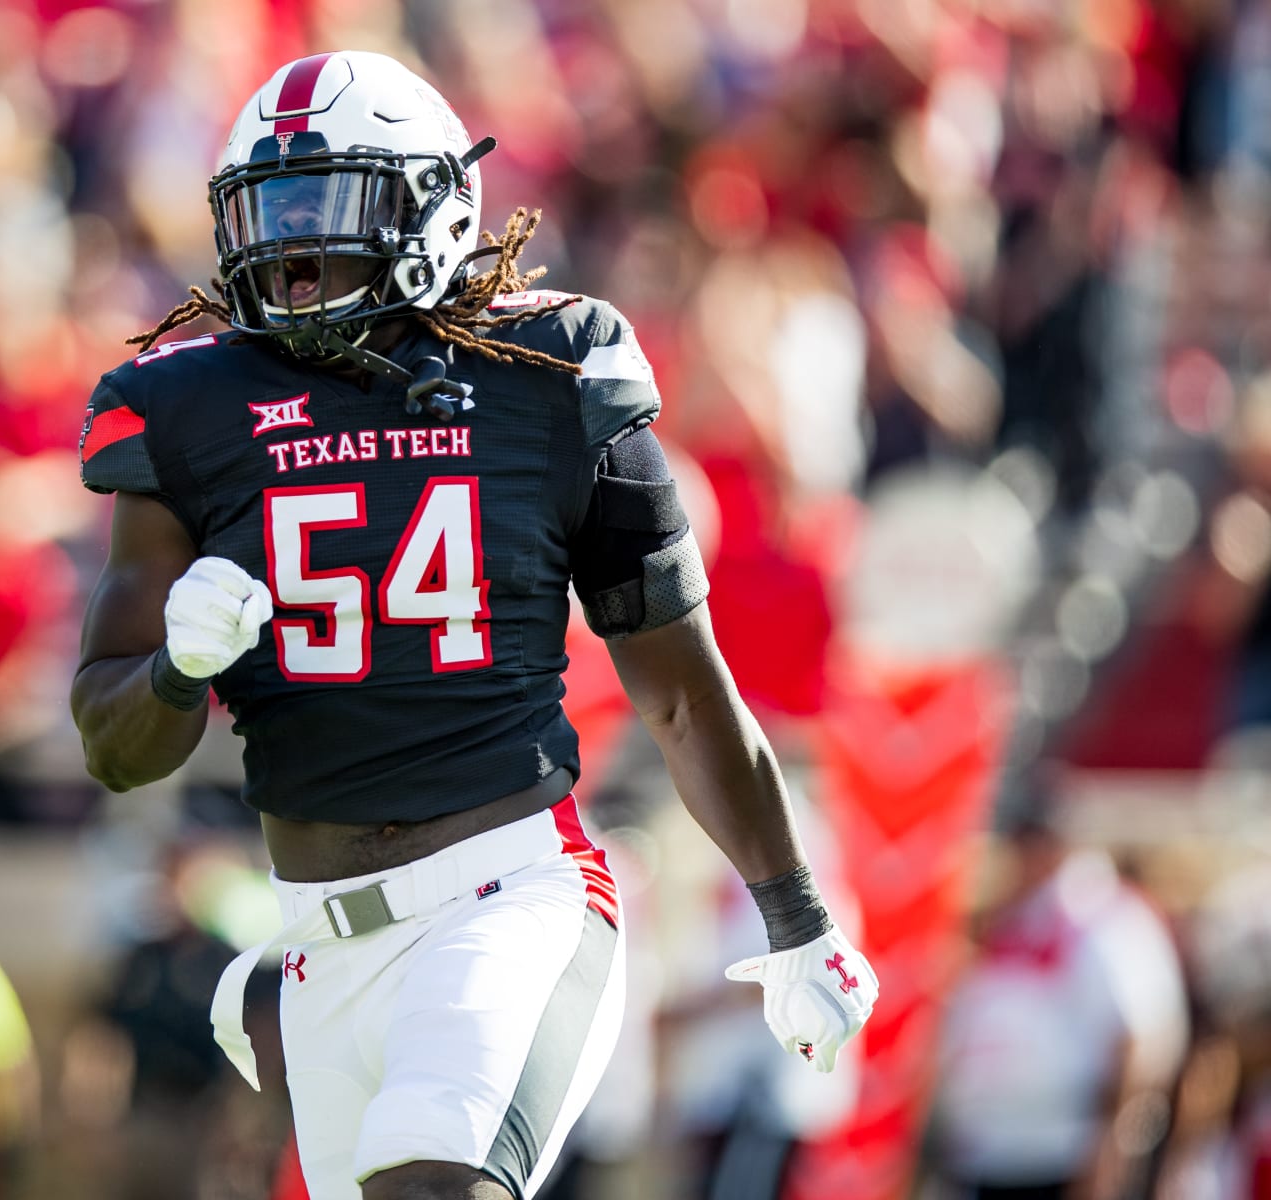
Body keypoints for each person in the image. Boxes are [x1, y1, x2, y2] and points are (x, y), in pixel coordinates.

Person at [71, 50, 880, 1200]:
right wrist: (172, 669)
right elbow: (111, 749)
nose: (289, 254)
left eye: (325, 210)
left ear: (433, 206)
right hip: (315, 945)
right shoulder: (186, 409)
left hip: (505, 901)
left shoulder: (553, 377)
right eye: (265, 215)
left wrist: (796, 916)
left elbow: (684, 691)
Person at [931, 812, 1189, 1200]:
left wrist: (1112, 1147)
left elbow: (1142, 1039)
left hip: (1064, 1154)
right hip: (984, 1152)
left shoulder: (1102, 917)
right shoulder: (1003, 917)